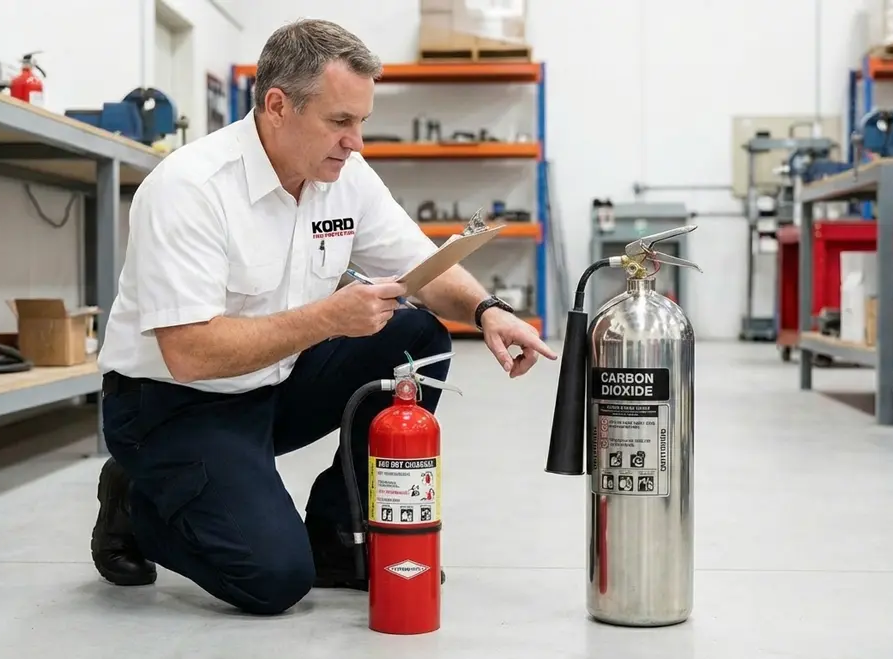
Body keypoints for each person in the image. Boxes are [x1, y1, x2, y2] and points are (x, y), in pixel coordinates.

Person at [88, 18, 557, 616]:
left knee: (418, 338)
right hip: (172, 403)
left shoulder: (343, 176)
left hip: (271, 385)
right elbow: (190, 352)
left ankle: (341, 534)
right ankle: (136, 497)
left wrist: (487, 309)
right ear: (278, 106)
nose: (356, 141)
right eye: (340, 122)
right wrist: (329, 319)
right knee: (273, 580)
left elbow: (421, 263)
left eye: (361, 121)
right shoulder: (189, 189)